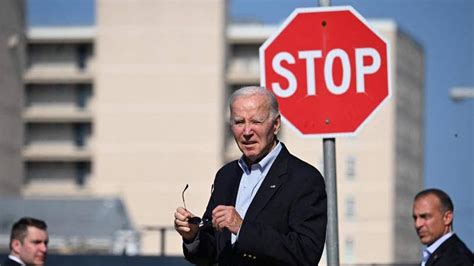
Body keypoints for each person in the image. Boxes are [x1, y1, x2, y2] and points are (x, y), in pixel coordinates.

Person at [174, 86, 327, 265]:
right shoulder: (226, 175)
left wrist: (242, 228)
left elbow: (306, 254)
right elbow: (212, 252)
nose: (247, 132)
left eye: (256, 122)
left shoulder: (304, 178)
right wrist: (193, 236)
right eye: (239, 122)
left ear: (276, 124)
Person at [412, 188, 473, 266]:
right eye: (415, 218)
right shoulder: (438, 256)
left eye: (425, 217)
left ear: (447, 218)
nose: (418, 224)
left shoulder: (456, 258)